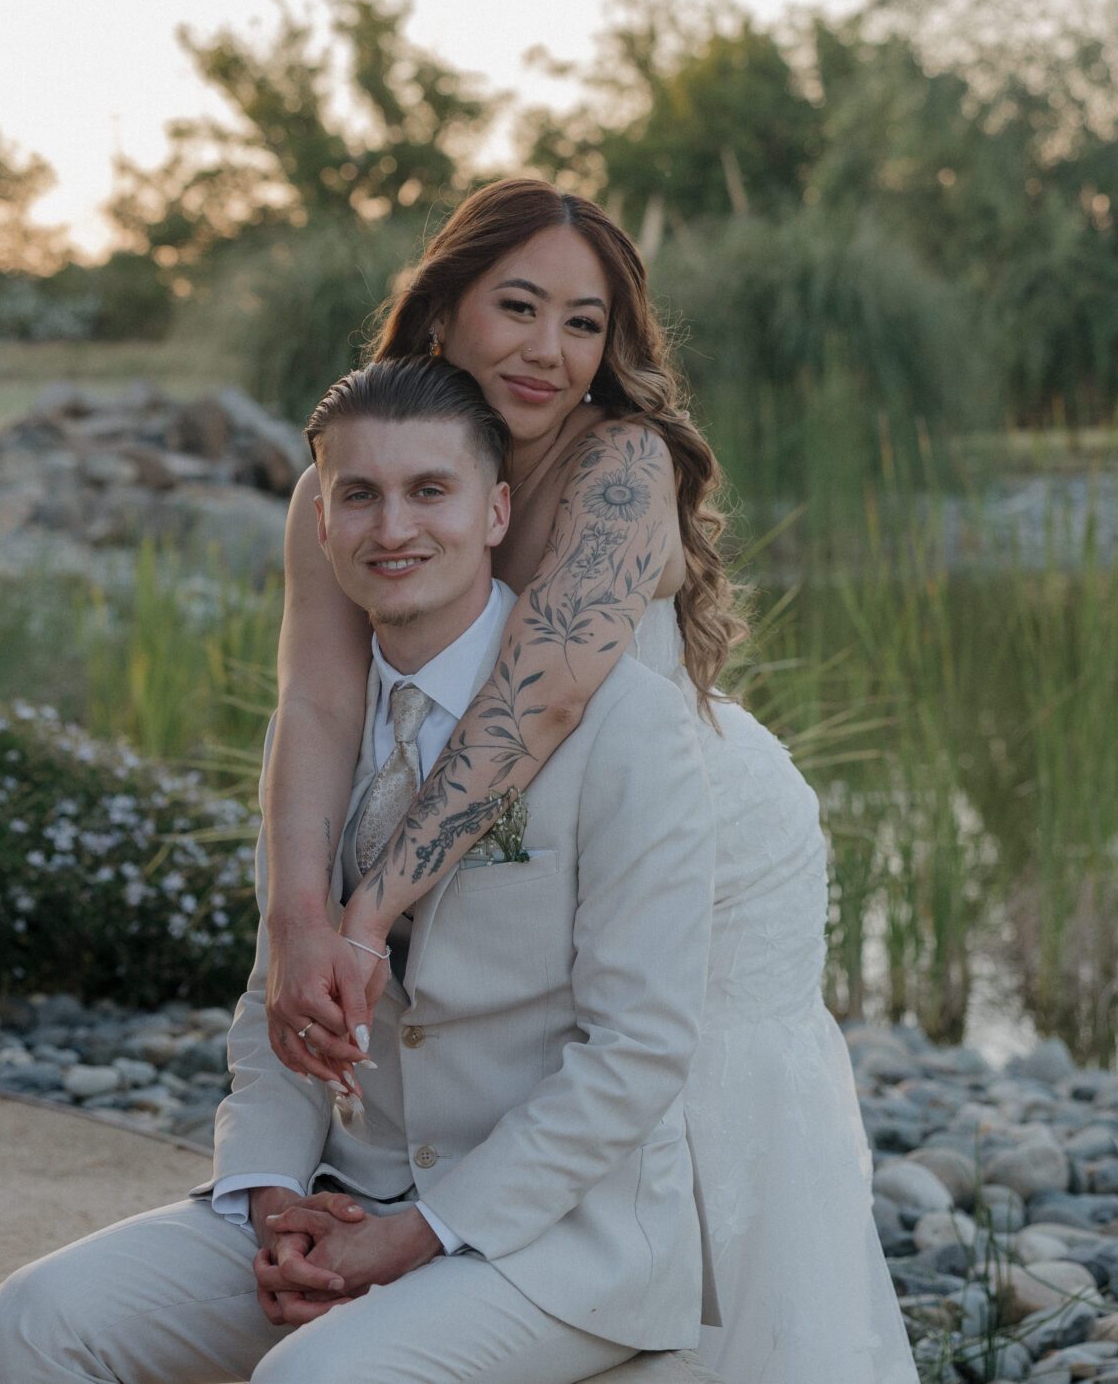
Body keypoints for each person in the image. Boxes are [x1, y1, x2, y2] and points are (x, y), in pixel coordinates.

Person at [258, 181, 915, 1381]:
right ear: (443, 310)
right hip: (509, 843)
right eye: (518, 307)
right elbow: (315, 704)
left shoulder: (621, 465)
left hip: (702, 850)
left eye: (583, 323)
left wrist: (368, 910)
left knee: (691, 1155)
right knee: (510, 1090)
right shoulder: (352, 480)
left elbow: (541, 700)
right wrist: (299, 922)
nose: (549, 352)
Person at [0, 358, 718, 1382]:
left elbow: (636, 1049)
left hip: (553, 1240)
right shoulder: (322, 739)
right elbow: (275, 1000)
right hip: (339, 1192)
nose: (391, 529)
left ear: (495, 510)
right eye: (357, 496)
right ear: (320, 525)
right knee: (38, 1318)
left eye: (429, 492)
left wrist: (419, 1231)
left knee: (313, 1380)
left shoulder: (625, 727)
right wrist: (275, 1197)